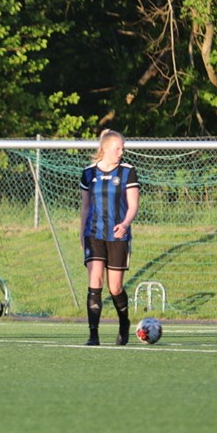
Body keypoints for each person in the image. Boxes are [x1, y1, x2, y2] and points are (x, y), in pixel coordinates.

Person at [80, 129, 140, 346]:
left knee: (115, 287)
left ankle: (124, 324)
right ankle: (93, 335)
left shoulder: (127, 172)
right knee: (95, 281)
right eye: (118, 148)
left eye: (123, 148)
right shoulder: (88, 173)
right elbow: (85, 207)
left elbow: (133, 205)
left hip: (117, 236)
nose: (121, 152)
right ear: (105, 148)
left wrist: (125, 224)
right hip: (94, 234)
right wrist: (81, 233)